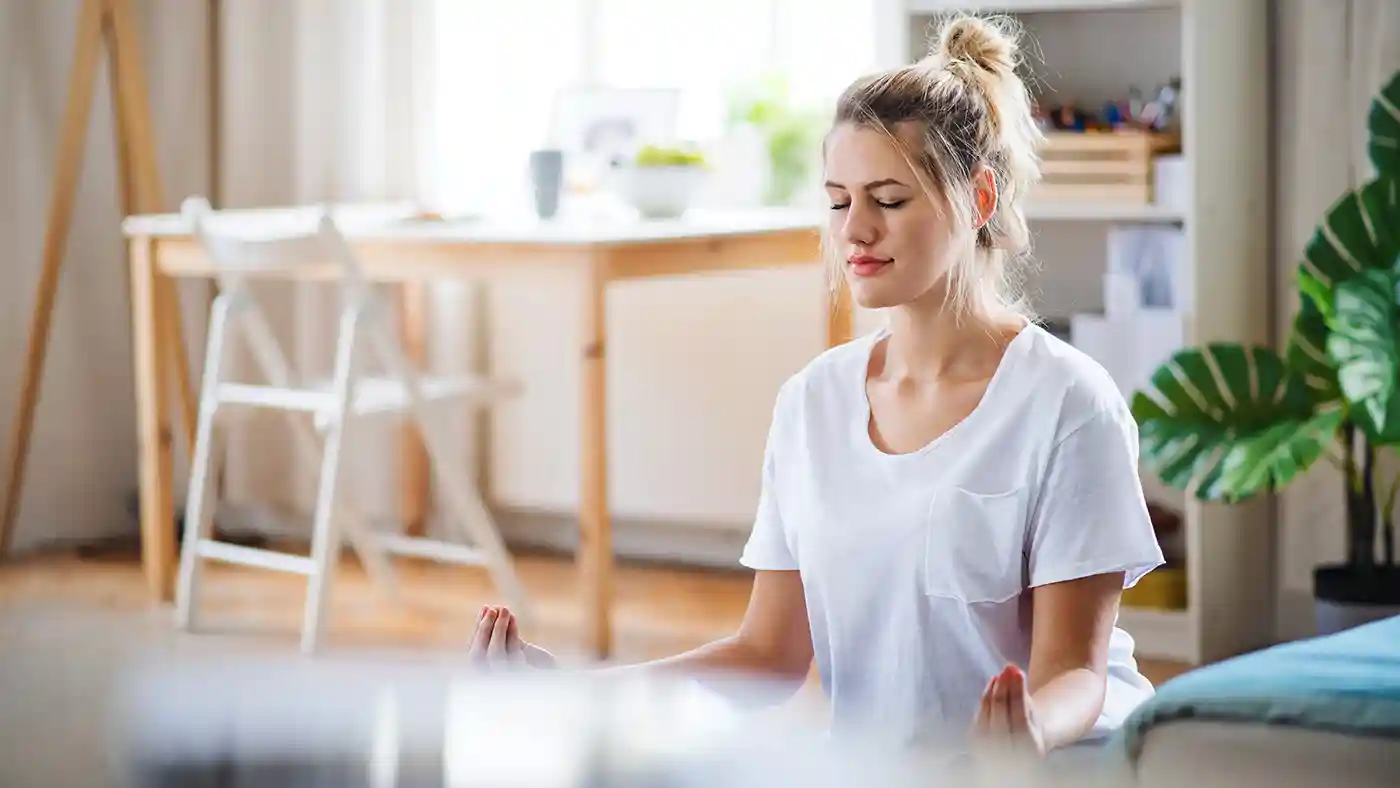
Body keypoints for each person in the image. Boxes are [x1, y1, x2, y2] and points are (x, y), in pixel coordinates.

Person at [467, 13, 1165, 758]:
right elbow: (767, 655)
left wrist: (1026, 730)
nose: (854, 230)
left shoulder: (1068, 404)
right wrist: (576, 691)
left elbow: (1075, 677)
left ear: (980, 200)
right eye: (839, 201)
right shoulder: (813, 402)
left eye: (888, 200)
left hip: (1051, 766)